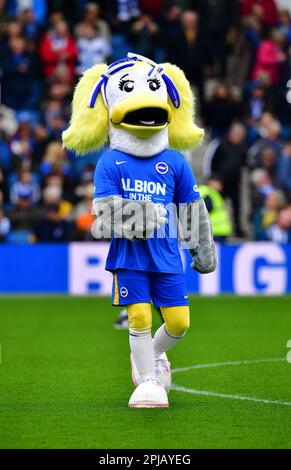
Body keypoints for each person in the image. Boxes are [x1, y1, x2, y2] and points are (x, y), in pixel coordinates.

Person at [63, 53, 216, 408]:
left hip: (167, 254)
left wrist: (201, 248)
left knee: (179, 323)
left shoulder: (176, 162)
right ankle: (147, 380)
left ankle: (149, 354)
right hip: (129, 256)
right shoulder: (110, 162)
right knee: (140, 315)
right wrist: (143, 217)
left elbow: (190, 208)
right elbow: (103, 215)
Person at [199, 176, 232, 242]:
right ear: (211, 182)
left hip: (216, 231)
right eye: (218, 183)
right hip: (213, 231)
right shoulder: (207, 193)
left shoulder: (212, 192)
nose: (221, 185)